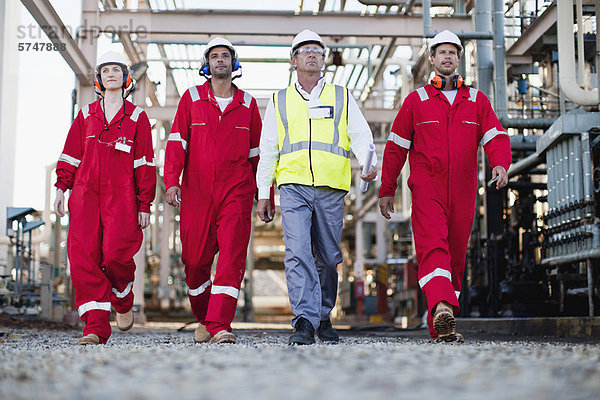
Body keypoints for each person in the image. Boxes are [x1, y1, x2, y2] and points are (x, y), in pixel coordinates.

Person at [378, 30, 511, 342]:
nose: (447, 57)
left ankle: (441, 322)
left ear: (458, 59)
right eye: (442, 53)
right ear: (432, 59)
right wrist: (387, 188)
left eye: (453, 52)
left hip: (464, 190)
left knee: (455, 256)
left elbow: (495, 136)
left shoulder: (476, 101)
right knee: (433, 246)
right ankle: (441, 305)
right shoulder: (416, 102)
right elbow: (396, 147)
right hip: (427, 187)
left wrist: (501, 163)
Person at [256, 30, 378, 345]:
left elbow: (360, 133)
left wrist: (367, 162)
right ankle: (304, 321)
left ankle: (323, 315)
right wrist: (263, 193)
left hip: (331, 187)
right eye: (305, 50)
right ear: (293, 59)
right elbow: (268, 149)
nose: (312, 54)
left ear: (323, 60)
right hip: (293, 187)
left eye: (317, 51)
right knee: (297, 253)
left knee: (328, 257)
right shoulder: (279, 100)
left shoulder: (340, 95)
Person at [164, 37, 263, 344]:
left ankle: (220, 324)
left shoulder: (248, 104)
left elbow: (258, 153)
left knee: (232, 257)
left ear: (234, 64)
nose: (220, 59)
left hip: (237, 188)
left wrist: (264, 194)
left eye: (225, 56)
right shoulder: (191, 99)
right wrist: (171, 181)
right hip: (197, 191)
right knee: (194, 261)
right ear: (206, 64)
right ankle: (206, 315)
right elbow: (176, 144)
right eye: (214, 56)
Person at [54, 51, 156, 345]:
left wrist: (144, 203)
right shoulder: (86, 115)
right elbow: (71, 155)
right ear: (99, 79)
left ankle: (122, 296)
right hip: (85, 196)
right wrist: (61, 188)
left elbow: (144, 164)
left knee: (115, 254)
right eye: (106, 70)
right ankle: (95, 327)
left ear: (126, 78)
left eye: (117, 70)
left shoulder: (137, 117)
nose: (111, 74)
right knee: (83, 258)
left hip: (121, 197)